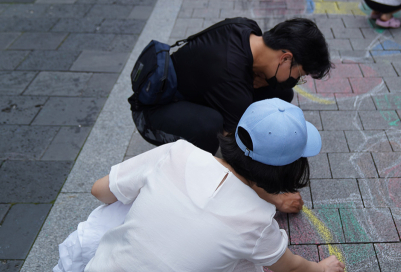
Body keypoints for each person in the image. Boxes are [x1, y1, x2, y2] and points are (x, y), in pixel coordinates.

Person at [82, 99, 345, 272]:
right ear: (288, 170)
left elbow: (99, 190)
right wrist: (323, 269)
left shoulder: (178, 153)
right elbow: (292, 267)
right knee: (243, 260)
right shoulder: (256, 220)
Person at [130, 17, 332, 210]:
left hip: (196, 91)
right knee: (210, 127)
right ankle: (191, 174)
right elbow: (236, 160)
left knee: (281, 91)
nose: (297, 81)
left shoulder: (246, 29)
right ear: (286, 58)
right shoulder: (230, 77)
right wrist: (275, 199)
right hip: (154, 113)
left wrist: (257, 80)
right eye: (301, 76)